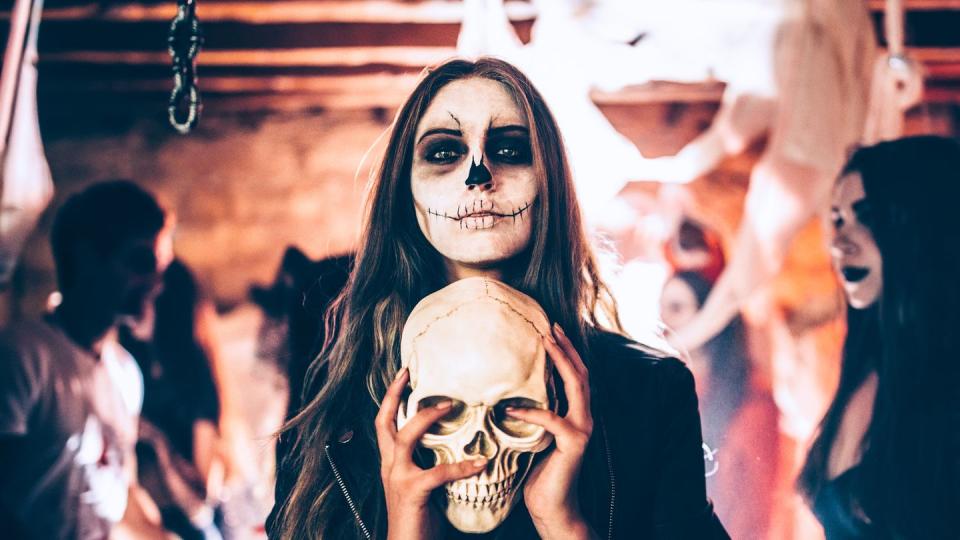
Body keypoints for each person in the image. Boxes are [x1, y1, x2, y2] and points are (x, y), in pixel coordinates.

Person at [268, 57, 727, 539]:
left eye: (510, 149)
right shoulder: (332, 409)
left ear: (547, 178)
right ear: (406, 191)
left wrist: (565, 525)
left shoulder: (650, 392)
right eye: (444, 153)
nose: (478, 175)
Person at [798, 136, 960, 539]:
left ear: (926, 224)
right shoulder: (867, 365)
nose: (839, 242)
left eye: (866, 216)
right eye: (837, 219)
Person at [0, 180, 173, 538]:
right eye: (141, 261)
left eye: (160, 266)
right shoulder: (23, 355)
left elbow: (121, 492)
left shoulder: (125, 372)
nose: (156, 282)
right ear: (86, 257)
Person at [660, 271, 778, 538]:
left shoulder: (753, 404)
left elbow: (759, 508)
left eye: (676, 308)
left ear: (710, 316)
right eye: (661, 308)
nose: (663, 320)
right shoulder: (667, 391)